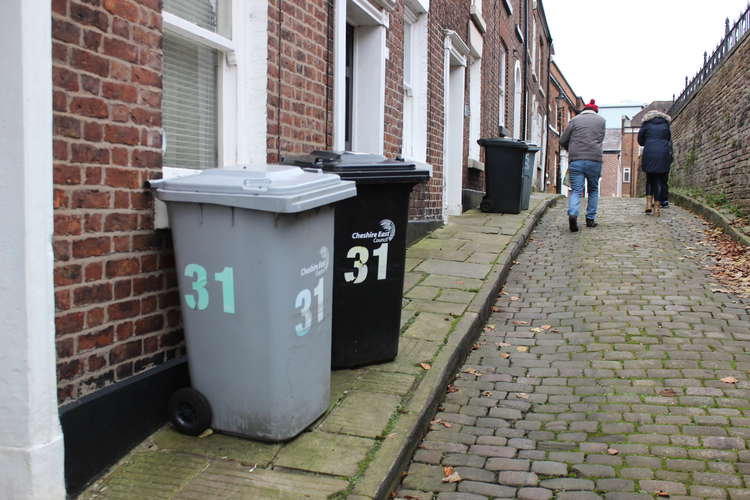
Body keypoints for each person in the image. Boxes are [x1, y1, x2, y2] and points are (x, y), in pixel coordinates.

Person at [560, 99, 606, 232]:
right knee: (593, 189)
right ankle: (590, 219)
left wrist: (570, 147)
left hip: (576, 160)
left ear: (584, 110)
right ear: (595, 111)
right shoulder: (601, 121)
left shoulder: (574, 120)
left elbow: (563, 139)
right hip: (594, 160)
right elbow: (600, 138)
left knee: (576, 190)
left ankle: (573, 213)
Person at [637, 110, 672, 216]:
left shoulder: (646, 124)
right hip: (663, 153)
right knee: (659, 181)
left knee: (649, 179)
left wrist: (648, 141)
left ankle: (648, 205)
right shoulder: (666, 124)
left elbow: (640, 141)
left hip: (650, 153)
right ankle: (657, 209)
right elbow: (668, 138)